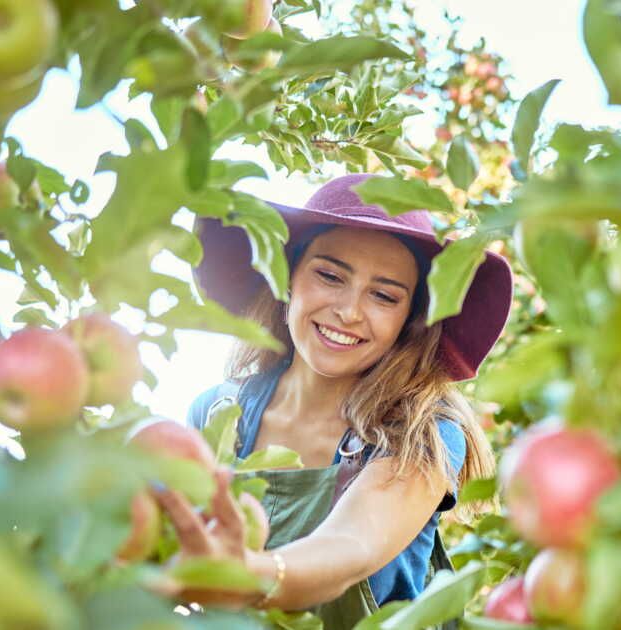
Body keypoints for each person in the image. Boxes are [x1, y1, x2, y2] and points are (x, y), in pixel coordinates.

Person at [151, 173, 513, 628]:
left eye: (384, 295)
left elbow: (352, 548)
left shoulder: (424, 429)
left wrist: (250, 575)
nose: (349, 311)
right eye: (329, 275)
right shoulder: (218, 414)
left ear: (410, 319)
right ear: (287, 279)